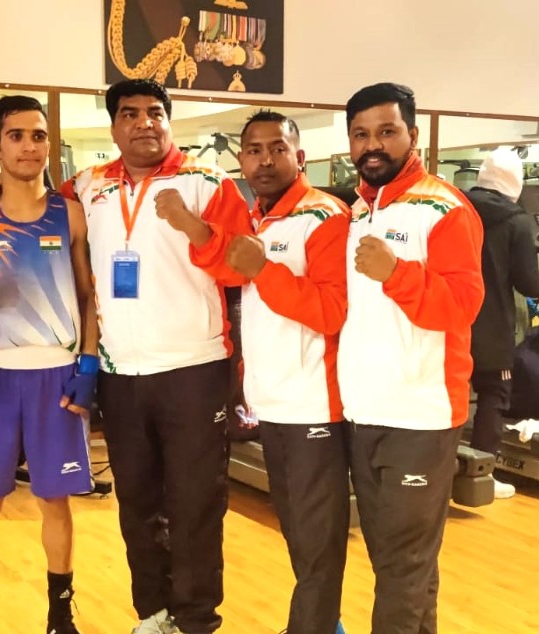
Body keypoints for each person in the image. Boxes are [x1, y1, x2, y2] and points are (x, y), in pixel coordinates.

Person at [64, 79, 250, 634]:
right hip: (120, 373)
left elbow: (239, 267)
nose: (144, 122)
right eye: (130, 114)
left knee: (195, 504)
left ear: (169, 121)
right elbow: (30, 205)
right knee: (137, 502)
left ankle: (196, 619)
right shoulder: (87, 184)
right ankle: (153, 611)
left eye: (154, 112)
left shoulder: (207, 181)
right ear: (114, 126)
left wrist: (192, 225)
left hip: (193, 369)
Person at [0, 95, 97, 634]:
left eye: (38, 135)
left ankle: (60, 615)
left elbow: (87, 294)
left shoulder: (69, 212)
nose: (29, 146)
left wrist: (89, 361)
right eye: (16, 136)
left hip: (57, 373)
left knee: (56, 500)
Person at [337, 82, 484, 633]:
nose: (372, 145)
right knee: (402, 565)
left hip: (420, 416)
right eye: (361, 134)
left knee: (402, 568)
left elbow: (463, 306)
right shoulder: (358, 212)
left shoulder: (444, 208)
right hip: (365, 411)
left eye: (386, 131)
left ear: (413, 135)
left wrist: (397, 273)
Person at [226, 110, 350, 634]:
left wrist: (263, 270)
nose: (265, 160)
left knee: (317, 541)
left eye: (277, 148)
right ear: (242, 160)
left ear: (299, 156)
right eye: (254, 150)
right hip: (271, 402)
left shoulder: (325, 216)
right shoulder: (256, 219)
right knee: (299, 533)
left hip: (313, 404)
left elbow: (331, 311)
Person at [466, 148, 539, 499]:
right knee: (494, 395)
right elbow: (529, 282)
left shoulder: (457, 206)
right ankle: (481, 475)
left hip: (448, 319)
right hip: (492, 326)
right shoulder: (517, 221)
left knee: (447, 395)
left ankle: (439, 471)